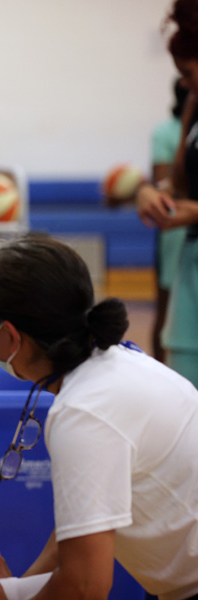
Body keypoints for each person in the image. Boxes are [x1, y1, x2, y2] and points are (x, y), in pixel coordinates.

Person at [0, 235, 198, 600]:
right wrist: (11, 591)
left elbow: (86, 586)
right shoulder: (114, 363)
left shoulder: (84, 413)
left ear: (11, 336)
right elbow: (83, 522)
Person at [136, 0, 198, 386]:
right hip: (191, 273)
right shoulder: (193, 106)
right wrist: (150, 192)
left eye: (189, 73)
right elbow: (176, 184)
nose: (184, 84)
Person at [150, 80, 189, 362]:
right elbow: (163, 183)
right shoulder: (166, 132)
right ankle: (161, 371)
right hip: (176, 230)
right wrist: (144, 191)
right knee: (165, 310)